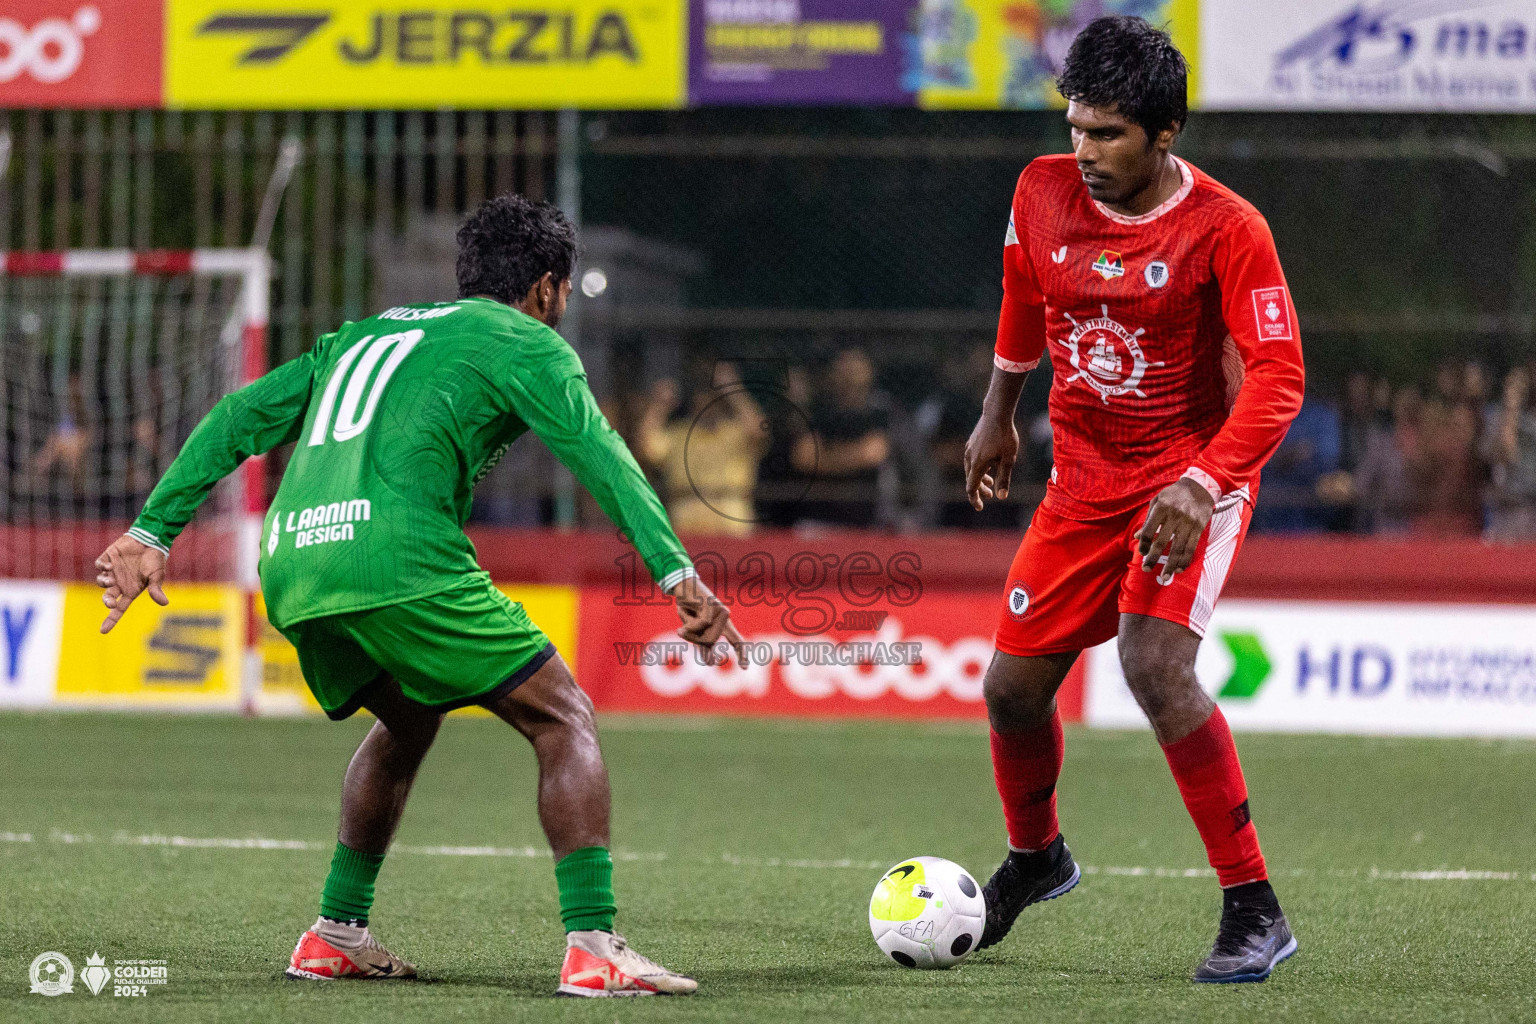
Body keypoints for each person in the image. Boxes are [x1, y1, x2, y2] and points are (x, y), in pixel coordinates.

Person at [92, 195, 744, 998]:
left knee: (406, 715)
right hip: (397, 559)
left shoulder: (364, 335)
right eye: (563, 293)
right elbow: (602, 456)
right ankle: (594, 944)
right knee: (563, 715)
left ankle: (336, 932)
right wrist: (678, 572)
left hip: (295, 564)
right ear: (546, 289)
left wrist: (153, 530)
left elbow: (238, 416)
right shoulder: (524, 340)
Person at [962, 17, 1304, 983]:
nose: (1085, 150)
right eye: (1075, 126)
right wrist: (999, 409)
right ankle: (1039, 859)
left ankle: (1254, 907)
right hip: (1080, 478)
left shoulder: (1230, 229)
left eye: (1108, 133)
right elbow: (1025, 294)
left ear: (1167, 132)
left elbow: (1279, 376)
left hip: (1188, 480)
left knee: (1156, 667)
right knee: (1010, 691)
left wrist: (1202, 481)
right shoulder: (1040, 190)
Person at [635, 362, 769, 537]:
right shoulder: (680, 434)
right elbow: (645, 445)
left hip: (731, 522)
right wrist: (659, 405)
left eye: (712, 401)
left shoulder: (735, 432)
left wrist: (734, 390)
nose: (706, 407)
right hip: (687, 521)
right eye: (700, 402)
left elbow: (758, 430)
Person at [792, 348, 893, 527]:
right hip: (817, 520)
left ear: (869, 372)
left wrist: (827, 457)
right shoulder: (821, 411)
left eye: (855, 369)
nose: (849, 376)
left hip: (864, 522)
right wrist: (854, 455)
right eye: (844, 367)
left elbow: (873, 454)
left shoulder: (879, 413)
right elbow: (804, 458)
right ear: (834, 372)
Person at [1483, 365, 1536, 540]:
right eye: (1512, 384)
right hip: (1506, 507)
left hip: (1530, 506)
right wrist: (1510, 414)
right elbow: (1503, 456)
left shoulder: (1531, 421)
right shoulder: (1495, 417)